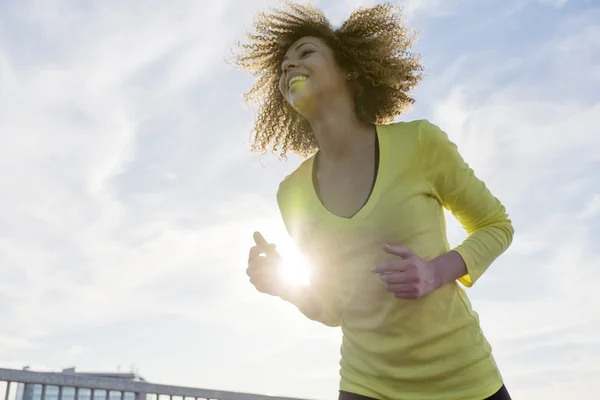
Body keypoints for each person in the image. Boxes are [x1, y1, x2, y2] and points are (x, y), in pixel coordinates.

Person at [234, 2, 514, 400]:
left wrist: (436, 272)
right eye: (282, 67)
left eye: (306, 53)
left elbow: (496, 225)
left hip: (464, 381)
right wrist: (283, 285)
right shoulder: (291, 193)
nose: (289, 67)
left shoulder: (419, 142)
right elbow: (334, 308)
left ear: (349, 68)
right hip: (367, 387)